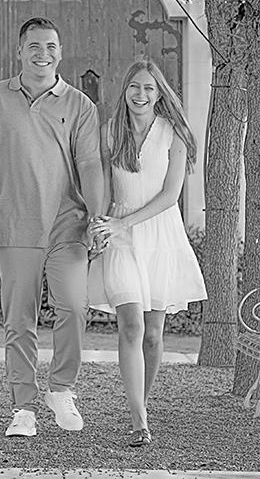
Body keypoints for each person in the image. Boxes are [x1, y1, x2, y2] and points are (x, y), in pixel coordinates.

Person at [0, 17, 105, 437]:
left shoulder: (80, 105)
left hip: (68, 224)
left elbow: (90, 163)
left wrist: (96, 216)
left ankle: (61, 389)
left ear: (61, 52)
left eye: (51, 47)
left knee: (74, 307)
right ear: (19, 51)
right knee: (19, 320)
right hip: (13, 222)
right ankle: (23, 407)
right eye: (35, 46)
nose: (43, 54)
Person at [86, 59, 207, 447]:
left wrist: (125, 223)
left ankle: (141, 404)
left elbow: (171, 196)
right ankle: (139, 421)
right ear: (125, 90)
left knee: (153, 335)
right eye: (135, 87)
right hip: (120, 238)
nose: (140, 95)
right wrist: (100, 224)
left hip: (160, 234)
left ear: (159, 94)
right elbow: (104, 190)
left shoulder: (174, 133)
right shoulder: (110, 132)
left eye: (149, 89)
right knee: (132, 326)